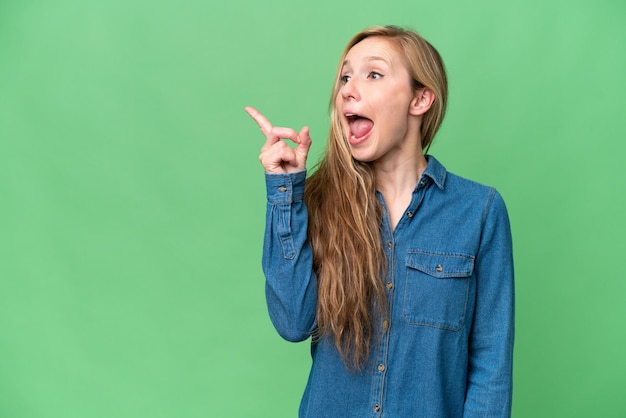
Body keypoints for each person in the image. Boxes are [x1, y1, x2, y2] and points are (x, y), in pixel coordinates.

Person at [245, 25, 514, 418]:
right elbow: (292, 322)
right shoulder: (317, 200)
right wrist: (284, 192)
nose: (349, 90)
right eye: (345, 77)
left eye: (373, 74)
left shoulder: (479, 211)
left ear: (420, 98)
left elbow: (491, 367)